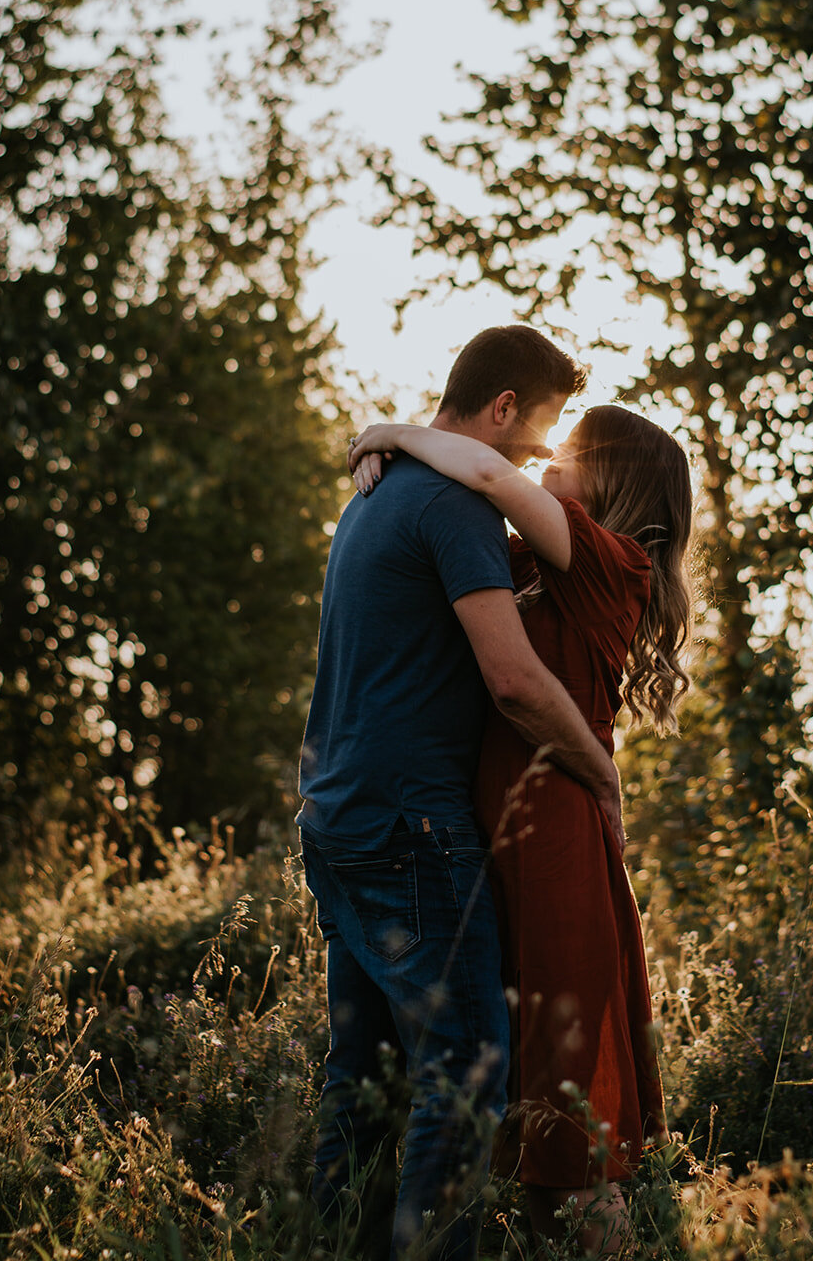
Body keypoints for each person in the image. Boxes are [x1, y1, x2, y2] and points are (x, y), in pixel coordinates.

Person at [297, 326, 627, 1261]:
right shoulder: (454, 505)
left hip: (336, 816)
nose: (537, 455)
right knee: (466, 1074)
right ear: (504, 408)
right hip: (409, 830)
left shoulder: (371, 494)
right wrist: (600, 775)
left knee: (363, 1082)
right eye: (537, 433)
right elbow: (514, 682)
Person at [349, 402, 693, 1258]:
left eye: (574, 452)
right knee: (536, 1125)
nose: (551, 456)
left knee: (570, 1131)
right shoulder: (538, 567)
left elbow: (491, 475)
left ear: (613, 484)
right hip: (507, 842)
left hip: (556, 845)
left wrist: (389, 432)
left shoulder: (608, 562)